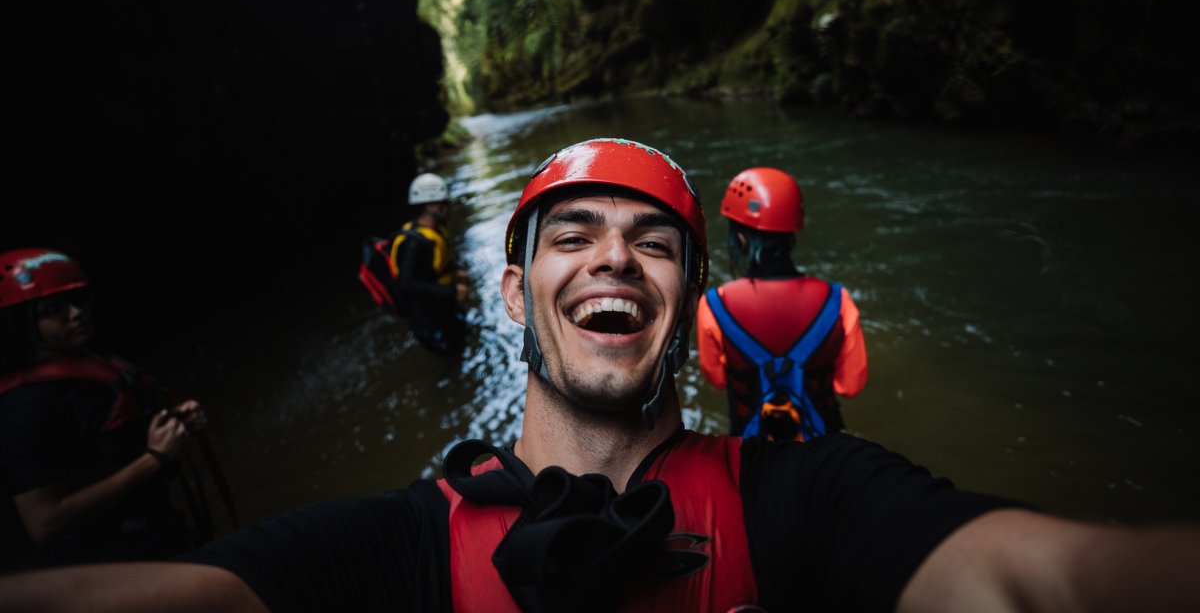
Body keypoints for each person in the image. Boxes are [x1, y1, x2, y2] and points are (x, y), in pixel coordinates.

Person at [0, 139, 1197, 611]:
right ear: (517, 290)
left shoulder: (811, 499)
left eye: (654, 240)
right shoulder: (393, 549)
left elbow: (1038, 576)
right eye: (571, 235)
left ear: (689, 304)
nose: (614, 254)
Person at [0, 248, 229, 571]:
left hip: (157, 537)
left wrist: (173, 424)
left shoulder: (89, 363)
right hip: (110, 565)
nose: (77, 313)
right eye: (55, 309)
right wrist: (154, 459)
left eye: (79, 300)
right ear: (21, 324)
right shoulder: (26, 407)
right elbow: (44, 522)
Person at [697, 166, 868, 442]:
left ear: (740, 237)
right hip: (823, 447)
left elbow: (717, 379)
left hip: (752, 447)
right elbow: (851, 385)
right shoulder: (838, 300)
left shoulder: (715, 305)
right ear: (793, 232)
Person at [360, 172, 470, 353]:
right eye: (444, 203)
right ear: (431, 205)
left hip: (442, 307)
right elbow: (407, 284)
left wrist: (455, 271)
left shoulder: (435, 230)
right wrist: (452, 292)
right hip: (427, 318)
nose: (449, 206)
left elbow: (433, 266)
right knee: (450, 355)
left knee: (461, 338)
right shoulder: (412, 242)